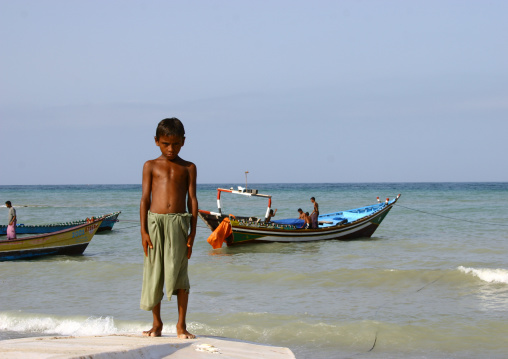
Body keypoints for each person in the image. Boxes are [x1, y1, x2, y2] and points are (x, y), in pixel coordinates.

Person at [139, 118, 198, 339]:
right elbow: (145, 199)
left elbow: (193, 200)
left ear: (183, 141)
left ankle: (181, 326)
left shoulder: (189, 167)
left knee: (180, 274)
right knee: (154, 273)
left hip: (179, 224)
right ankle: (157, 324)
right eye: (165, 144)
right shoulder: (150, 166)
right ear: (156, 141)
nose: (170, 149)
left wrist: (192, 233)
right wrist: (143, 231)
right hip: (155, 223)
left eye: (175, 144)